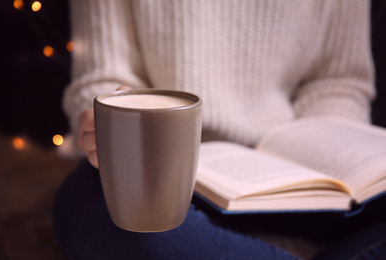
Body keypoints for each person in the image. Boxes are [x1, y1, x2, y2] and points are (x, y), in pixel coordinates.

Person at [54, 0, 386, 259]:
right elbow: (101, 76)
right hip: (169, 178)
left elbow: (339, 82)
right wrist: (117, 118)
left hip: (292, 171)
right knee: (88, 206)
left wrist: (319, 163)